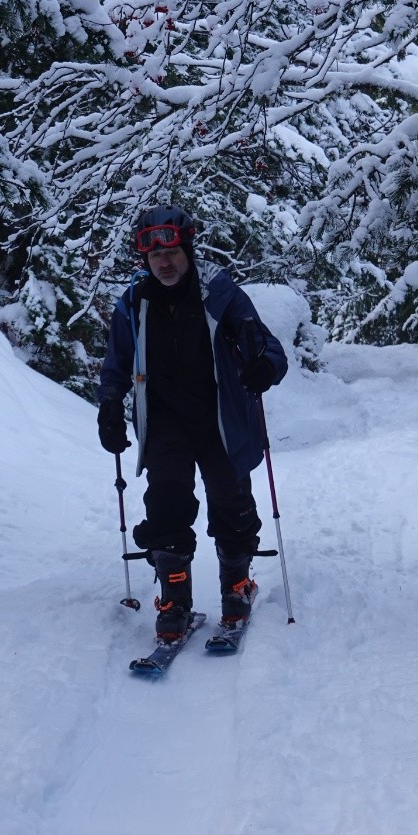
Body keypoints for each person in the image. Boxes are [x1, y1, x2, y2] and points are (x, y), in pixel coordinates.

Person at [96, 205, 289, 640]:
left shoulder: (221, 296)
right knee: (165, 508)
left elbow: (268, 348)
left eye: (173, 254)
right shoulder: (134, 304)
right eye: (155, 257)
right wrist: (110, 405)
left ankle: (237, 586)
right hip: (165, 424)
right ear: (145, 260)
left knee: (233, 508)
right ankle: (174, 601)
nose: (164, 263)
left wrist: (264, 367)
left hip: (222, 421)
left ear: (188, 250)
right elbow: (116, 365)